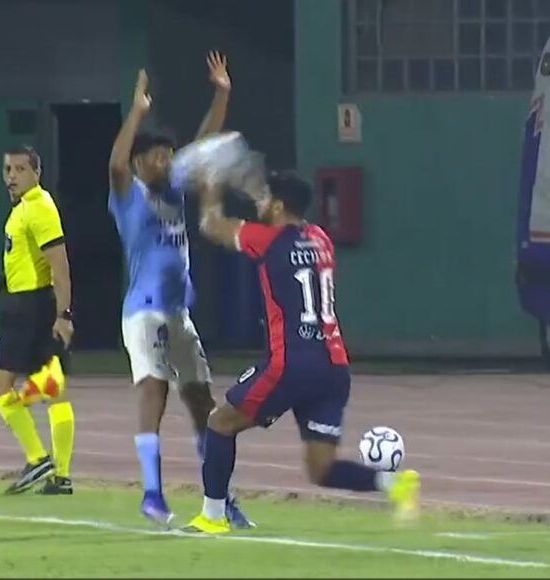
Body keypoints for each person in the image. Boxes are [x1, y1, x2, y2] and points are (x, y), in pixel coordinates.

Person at [179, 169, 420, 535]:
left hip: (289, 361)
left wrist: (211, 180)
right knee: (320, 468)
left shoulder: (268, 239)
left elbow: (212, 225)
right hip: (333, 365)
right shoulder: (321, 239)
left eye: (264, 198)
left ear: (277, 206)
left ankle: (213, 516)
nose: (258, 203)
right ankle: (393, 485)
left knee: (219, 422)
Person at [107, 53, 251, 528]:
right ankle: (152, 494)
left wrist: (222, 93)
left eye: (169, 154)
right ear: (140, 161)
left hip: (177, 313)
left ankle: (219, 499)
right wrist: (137, 112)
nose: (167, 159)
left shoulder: (174, 191)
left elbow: (204, 144)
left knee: (203, 404)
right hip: (143, 312)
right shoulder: (130, 194)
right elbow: (115, 163)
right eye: (158, 154)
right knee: (153, 391)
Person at [0, 145, 77, 495]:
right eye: (8, 169)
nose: (11, 177)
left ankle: (38, 459)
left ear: (36, 173)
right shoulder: (25, 209)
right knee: (52, 391)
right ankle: (61, 476)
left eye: (20, 170)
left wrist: (64, 315)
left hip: (30, 310)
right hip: (32, 303)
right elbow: (26, 258)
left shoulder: (38, 209)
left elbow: (60, 268)